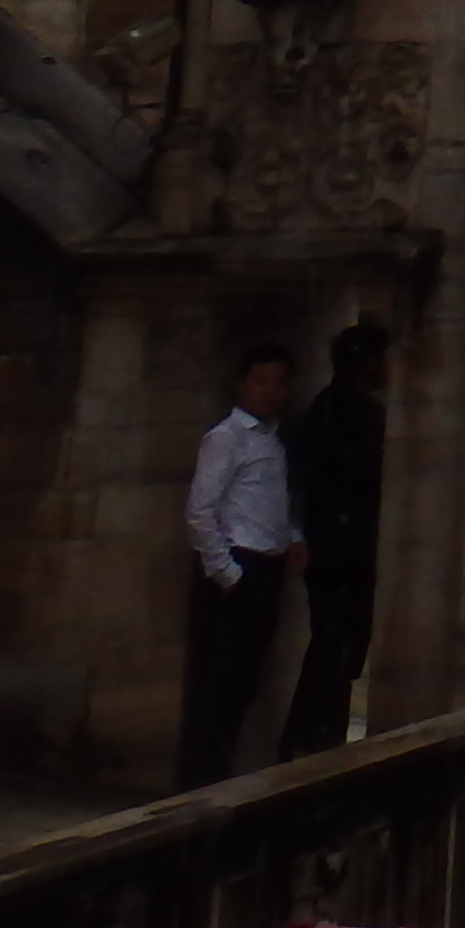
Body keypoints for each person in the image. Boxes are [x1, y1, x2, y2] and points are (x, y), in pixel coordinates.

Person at [175, 346, 302, 788]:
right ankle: (200, 775)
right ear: (242, 384)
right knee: (220, 677)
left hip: (266, 564)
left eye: (279, 383)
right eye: (260, 381)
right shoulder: (226, 437)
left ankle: (219, 769)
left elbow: (268, 501)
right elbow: (200, 511)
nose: (270, 392)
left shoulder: (273, 440)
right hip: (237, 564)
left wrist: (293, 538)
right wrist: (225, 571)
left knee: (245, 676)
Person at [276, 323, 388, 757]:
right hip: (340, 549)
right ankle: (310, 739)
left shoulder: (345, 409)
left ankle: (320, 738)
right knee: (333, 646)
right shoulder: (340, 411)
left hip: (345, 546)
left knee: (341, 647)